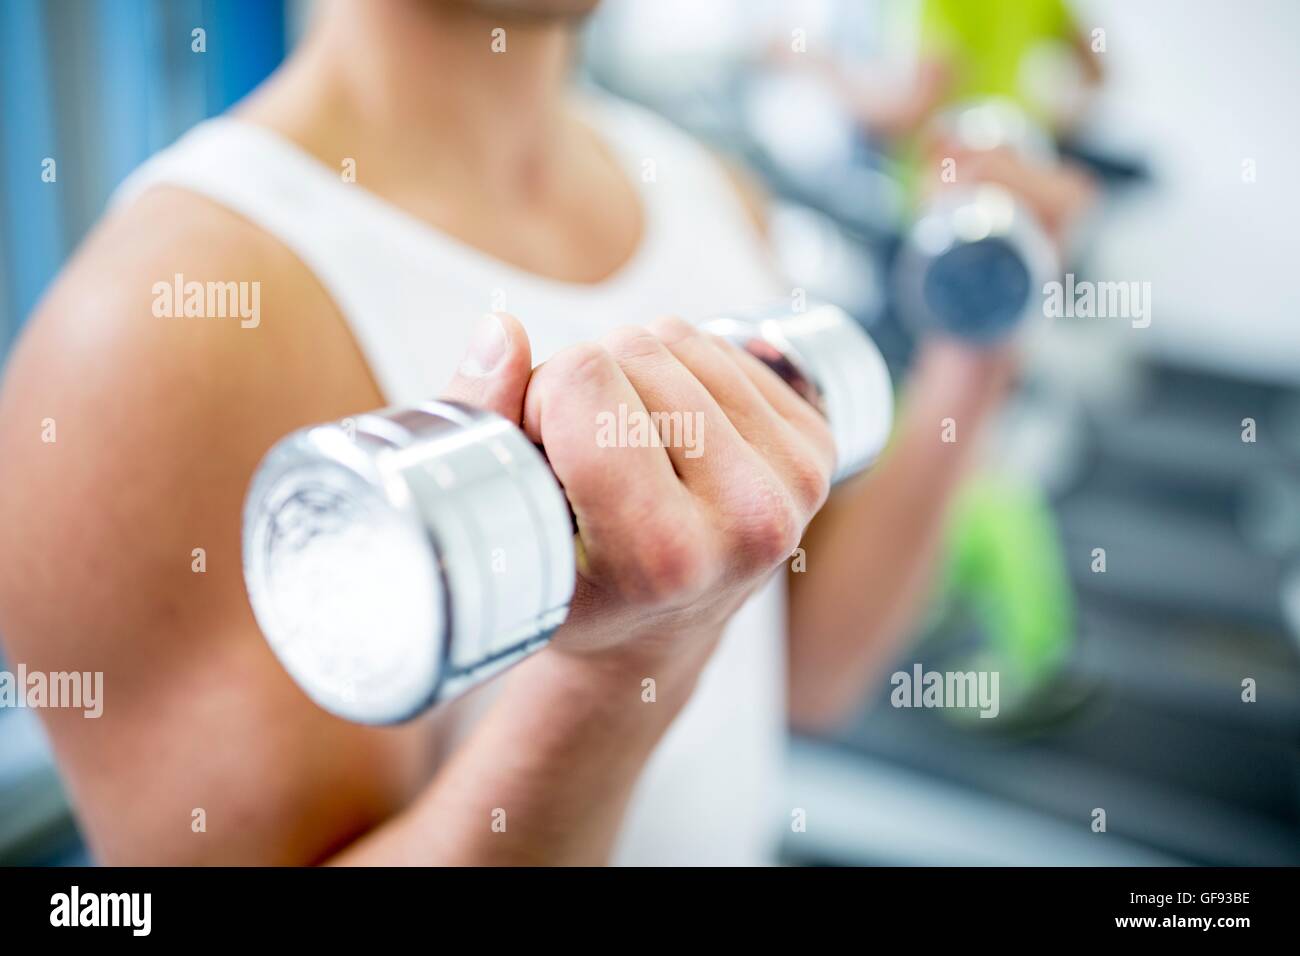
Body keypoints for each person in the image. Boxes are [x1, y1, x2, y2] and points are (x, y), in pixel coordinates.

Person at [0, 0, 1021, 865]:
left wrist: (976, 345)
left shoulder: (708, 192)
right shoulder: (147, 333)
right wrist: (614, 673)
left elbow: (815, 671)